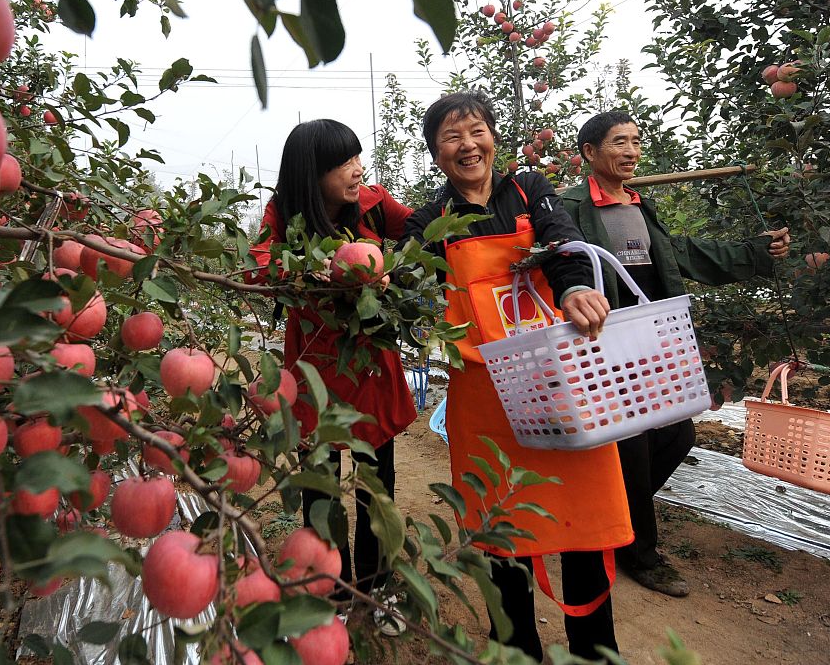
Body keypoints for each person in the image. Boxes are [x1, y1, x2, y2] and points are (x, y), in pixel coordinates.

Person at [401, 92, 630, 662]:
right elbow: (398, 273)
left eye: (475, 131)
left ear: (493, 137)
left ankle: (595, 652)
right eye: (451, 138)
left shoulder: (530, 190)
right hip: (485, 401)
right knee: (502, 534)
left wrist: (576, 283)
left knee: (584, 525)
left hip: (559, 388)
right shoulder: (430, 222)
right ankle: (517, 649)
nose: (467, 145)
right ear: (436, 155)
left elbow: (560, 241)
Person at [561, 110, 791, 598]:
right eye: (618, 142)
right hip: (603, 347)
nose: (631, 151)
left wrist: (754, 251)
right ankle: (641, 553)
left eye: (635, 141)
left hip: (653, 344)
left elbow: (684, 254)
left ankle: (614, 522)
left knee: (678, 434)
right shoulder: (570, 208)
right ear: (590, 153)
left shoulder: (642, 210)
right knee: (634, 446)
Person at [248, 119, 416, 630]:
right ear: (311, 172)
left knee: (376, 483)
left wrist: (389, 265)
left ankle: (377, 583)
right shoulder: (282, 215)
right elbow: (259, 264)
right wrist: (306, 271)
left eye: (357, 159)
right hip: (316, 371)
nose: (356, 170)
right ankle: (331, 591)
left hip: (369, 368)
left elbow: (418, 231)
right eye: (344, 163)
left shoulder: (372, 203)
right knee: (321, 486)